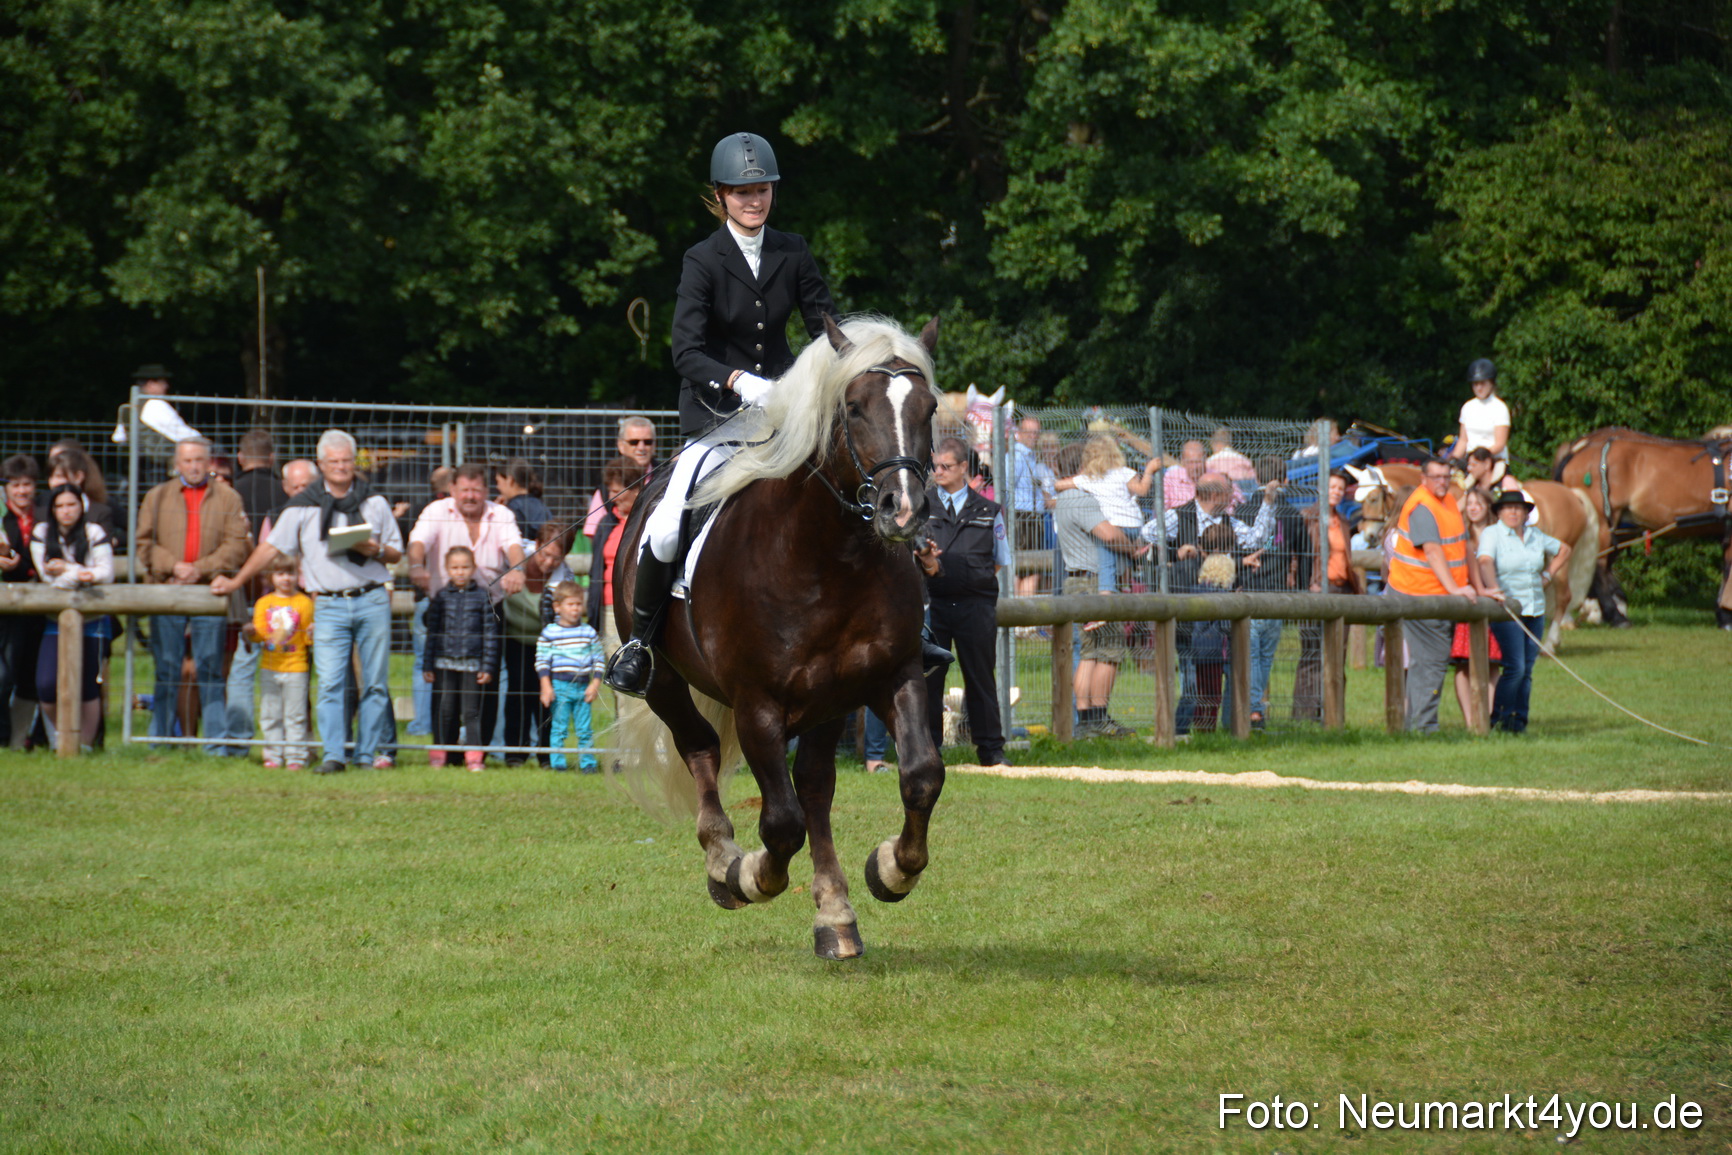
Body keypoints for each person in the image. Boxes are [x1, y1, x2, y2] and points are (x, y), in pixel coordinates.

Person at [607, 131, 840, 697]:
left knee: (855, 492)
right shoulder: (701, 260)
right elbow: (685, 351)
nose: (753, 201)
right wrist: (737, 380)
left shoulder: (794, 250)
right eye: (741, 193)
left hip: (782, 417)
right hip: (715, 420)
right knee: (663, 527)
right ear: (721, 196)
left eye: (761, 190)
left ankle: (910, 626)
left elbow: (824, 326)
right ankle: (640, 643)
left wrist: (853, 365)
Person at [211, 429, 403, 774]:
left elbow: (395, 551)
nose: (341, 467)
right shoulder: (303, 506)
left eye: (347, 460)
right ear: (321, 464)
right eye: (334, 461)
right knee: (329, 682)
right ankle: (333, 756)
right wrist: (238, 580)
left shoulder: (374, 502)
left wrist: (372, 548)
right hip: (327, 603)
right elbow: (270, 547)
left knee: (374, 683)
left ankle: (365, 754)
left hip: (371, 598)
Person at [136, 437, 250, 754]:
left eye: (200, 460)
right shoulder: (157, 497)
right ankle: (160, 742)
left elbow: (236, 546)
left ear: (210, 462)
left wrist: (199, 569)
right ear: (177, 463)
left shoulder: (229, 498)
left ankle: (215, 745)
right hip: (167, 591)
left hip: (209, 594)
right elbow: (143, 543)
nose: (194, 466)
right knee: (167, 667)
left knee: (211, 668)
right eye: (187, 461)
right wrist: (173, 566)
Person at [407, 463, 526, 757]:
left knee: (487, 680)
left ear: (486, 491)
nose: (470, 496)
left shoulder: (502, 515)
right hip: (443, 607)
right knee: (442, 683)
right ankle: (445, 750)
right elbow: (417, 541)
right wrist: (416, 566)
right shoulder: (436, 511)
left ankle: (479, 750)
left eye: (476, 490)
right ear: (453, 490)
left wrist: (518, 569)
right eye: (464, 490)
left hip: (487, 610)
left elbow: (513, 546)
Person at [920, 437, 1011, 767]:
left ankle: (991, 750)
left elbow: (1000, 560)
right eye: (935, 466)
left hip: (976, 606)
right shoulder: (922, 505)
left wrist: (973, 580)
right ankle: (929, 751)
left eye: (946, 466)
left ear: (962, 468)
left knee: (980, 677)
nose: (938, 472)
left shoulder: (989, 511)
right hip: (934, 605)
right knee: (930, 678)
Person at [1387, 456, 1488, 732]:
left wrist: (1480, 587)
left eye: (1446, 476)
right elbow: (1432, 550)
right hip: (1418, 595)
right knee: (1430, 662)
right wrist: (1456, 589)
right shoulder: (1422, 507)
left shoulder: (1449, 503)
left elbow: (1464, 545)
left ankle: (1418, 725)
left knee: (1429, 662)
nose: (1442, 482)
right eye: (1436, 477)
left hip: (1437, 596)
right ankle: (1422, 728)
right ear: (1424, 479)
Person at [1052, 443, 1138, 738]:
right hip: (1094, 583)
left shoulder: (1063, 499)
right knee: (1110, 648)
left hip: (1076, 581)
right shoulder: (1082, 499)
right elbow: (1109, 534)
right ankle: (1099, 717)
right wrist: (1134, 548)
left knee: (1089, 651)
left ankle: (1086, 719)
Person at [1478, 488, 1571, 734]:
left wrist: (1548, 575)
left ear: (1525, 513)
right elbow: (1485, 561)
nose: (1513, 512)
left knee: (1527, 670)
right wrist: (1493, 587)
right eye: (1508, 508)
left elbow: (1564, 549)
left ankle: (1519, 722)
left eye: (1518, 508)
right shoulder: (1492, 534)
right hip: (1508, 608)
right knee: (1515, 667)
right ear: (1499, 512)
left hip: (1535, 609)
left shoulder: (1535, 536)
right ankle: (1499, 718)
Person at [29, 484, 114, 748]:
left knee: (89, 685)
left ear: (82, 506)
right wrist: (82, 574)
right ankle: (60, 738)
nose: (66, 511)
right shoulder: (42, 533)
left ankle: (85, 746)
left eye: (71, 505)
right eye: (60, 506)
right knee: (45, 684)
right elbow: (47, 577)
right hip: (55, 620)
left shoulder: (94, 532)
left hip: (93, 618)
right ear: (52, 510)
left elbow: (105, 574)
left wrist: (66, 567)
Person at [1233, 456, 1310, 729]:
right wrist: (1300, 592)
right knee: (1265, 657)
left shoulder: (1241, 511)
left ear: (1255, 478)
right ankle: (1254, 709)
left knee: (1252, 655)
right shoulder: (1292, 514)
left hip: (1247, 591)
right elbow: (1304, 555)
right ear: (1286, 480)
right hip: (1277, 594)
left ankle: (1253, 709)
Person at [1292, 470, 1367, 722]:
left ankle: (1333, 715)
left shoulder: (1343, 521)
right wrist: (1305, 584)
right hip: (1315, 590)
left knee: (1337, 654)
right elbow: (1297, 557)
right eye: (1331, 486)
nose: (1335, 491)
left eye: (1339, 488)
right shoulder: (1307, 518)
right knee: (1312, 653)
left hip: (1341, 590)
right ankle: (1304, 716)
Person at [501, 522, 576, 766]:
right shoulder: (512, 559)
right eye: (544, 554)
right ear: (535, 545)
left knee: (547, 697)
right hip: (513, 636)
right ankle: (515, 753)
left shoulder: (565, 578)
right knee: (517, 693)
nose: (548, 562)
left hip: (547, 642)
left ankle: (547, 753)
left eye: (556, 558)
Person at [423, 545, 499, 771]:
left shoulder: (482, 597)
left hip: (472, 664)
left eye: (465, 567)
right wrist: (428, 663)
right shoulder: (440, 597)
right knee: (444, 710)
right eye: (455, 567)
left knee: (471, 712)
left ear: (473, 568)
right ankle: (440, 754)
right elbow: (432, 634)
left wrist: (488, 666)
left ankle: (474, 757)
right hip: (443, 663)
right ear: (447, 569)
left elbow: (490, 634)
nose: (460, 572)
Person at [252, 555, 314, 769]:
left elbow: (307, 637)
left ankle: (296, 756)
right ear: (271, 577)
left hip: (296, 666)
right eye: (280, 573)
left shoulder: (304, 603)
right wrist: (250, 633)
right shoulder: (264, 603)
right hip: (269, 666)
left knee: (295, 714)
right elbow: (259, 633)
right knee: (270, 713)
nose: (286, 578)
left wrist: (314, 632)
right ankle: (273, 754)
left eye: (291, 573)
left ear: (298, 575)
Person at [1, 454, 45, 748]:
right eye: (15, 485)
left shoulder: (45, 516)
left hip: (41, 603)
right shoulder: (3, 521)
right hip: (7, 604)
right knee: (5, 672)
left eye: (27, 484)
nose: (21, 491)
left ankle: (19, 739)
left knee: (31, 674)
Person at [1448, 486, 1503, 724]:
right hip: (1467, 604)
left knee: (1493, 663)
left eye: (1478, 503)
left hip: (1495, 605)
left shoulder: (1500, 534)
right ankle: (1470, 719)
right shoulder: (1460, 535)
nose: (1473, 508)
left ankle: (1489, 714)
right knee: (1463, 664)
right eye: (1469, 503)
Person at [537, 580, 605, 772]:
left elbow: (598, 659)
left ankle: (588, 764)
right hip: (560, 685)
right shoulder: (549, 633)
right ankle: (558, 763)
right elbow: (542, 661)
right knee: (559, 727)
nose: (576, 609)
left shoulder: (588, 632)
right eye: (571, 604)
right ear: (557, 607)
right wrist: (546, 686)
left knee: (585, 728)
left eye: (578, 604)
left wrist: (595, 684)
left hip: (583, 686)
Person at [111, 363, 202, 480]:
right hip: (162, 467)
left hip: (140, 467)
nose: (166, 386)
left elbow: (119, 437)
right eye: (163, 382)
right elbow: (182, 433)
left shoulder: (127, 407)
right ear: (150, 384)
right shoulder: (155, 404)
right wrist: (207, 443)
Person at [1055, 433, 1159, 532]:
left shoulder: (1090, 479)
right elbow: (1142, 490)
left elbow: (1058, 485)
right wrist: (1149, 470)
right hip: (1133, 524)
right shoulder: (1124, 472)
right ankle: (1138, 548)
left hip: (1112, 525)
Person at [583, 417, 657, 539]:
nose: (641, 447)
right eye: (634, 442)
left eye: (648, 442)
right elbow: (593, 532)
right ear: (621, 445)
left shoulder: (668, 478)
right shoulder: (606, 487)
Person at [1008, 416, 1057, 598]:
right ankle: (1022, 618)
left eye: (1036, 432)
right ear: (1018, 433)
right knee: (1028, 567)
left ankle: (1021, 618)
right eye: (1029, 432)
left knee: (1027, 567)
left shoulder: (1029, 456)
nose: (1033, 436)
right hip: (1022, 516)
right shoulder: (1018, 457)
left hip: (1030, 516)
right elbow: (1007, 486)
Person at [1449, 359, 1511, 463]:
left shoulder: (1500, 408)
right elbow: (1463, 441)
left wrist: (1479, 458)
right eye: (1475, 384)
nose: (1479, 388)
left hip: (1494, 460)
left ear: (1491, 383)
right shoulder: (1467, 407)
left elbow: (1500, 444)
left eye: (1482, 383)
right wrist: (1453, 460)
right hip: (1471, 462)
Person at [494, 458, 552, 542]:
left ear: (510, 480)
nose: (497, 487)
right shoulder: (541, 505)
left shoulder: (512, 508)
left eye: (498, 481)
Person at [1162, 440, 1208, 509]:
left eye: (1198, 462)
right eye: (1190, 462)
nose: (1194, 467)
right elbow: (1162, 507)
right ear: (1182, 461)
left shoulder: (1214, 478)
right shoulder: (1172, 476)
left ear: (1205, 460)